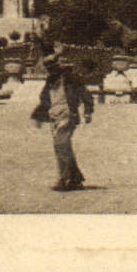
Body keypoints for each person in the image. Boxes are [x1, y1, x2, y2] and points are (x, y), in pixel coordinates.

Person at [31, 52, 94, 191]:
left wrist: (88, 111)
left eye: (53, 67)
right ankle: (75, 179)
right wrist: (39, 116)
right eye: (48, 68)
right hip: (54, 116)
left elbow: (85, 94)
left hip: (68, 114)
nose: (51, 70)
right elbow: (44, 100)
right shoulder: (50, 81)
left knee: (61, 144)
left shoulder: (70, 78)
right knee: (63, 147)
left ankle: (64, 179)